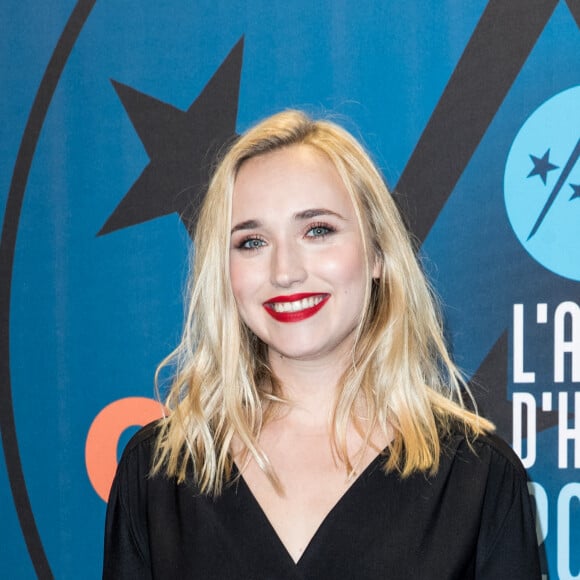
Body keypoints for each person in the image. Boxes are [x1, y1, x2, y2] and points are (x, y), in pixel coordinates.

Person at [103, 110, 541, 579]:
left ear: (377, 253)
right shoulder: (157, 474)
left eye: (317, 231)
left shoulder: (478, 478)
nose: (285, 271)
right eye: (252, 242)